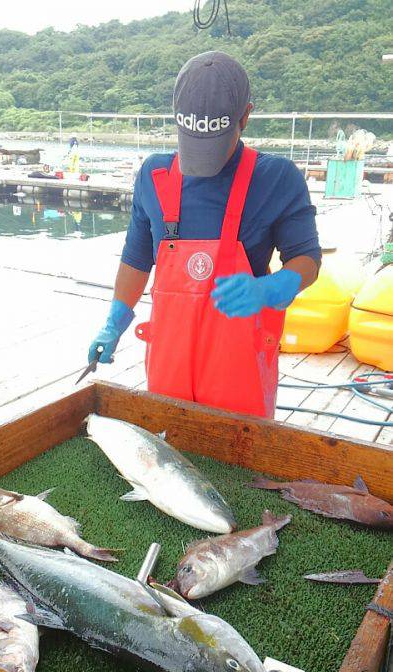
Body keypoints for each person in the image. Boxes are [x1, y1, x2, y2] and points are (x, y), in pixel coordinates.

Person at [87, 51, 321, 417]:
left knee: (239, 465)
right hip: (168, 368)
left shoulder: (277, 178)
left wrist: (275, 287)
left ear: (246, 115)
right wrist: (115, 319)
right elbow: (136, 259)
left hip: (239, 371)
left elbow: (307, 258)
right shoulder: (154, 177)